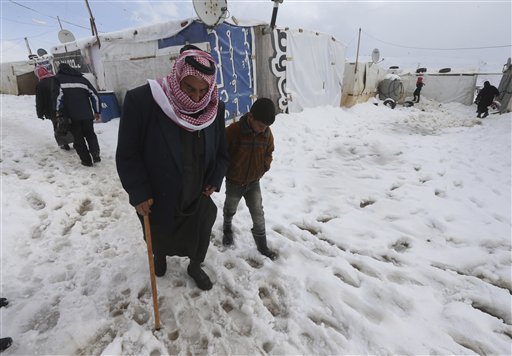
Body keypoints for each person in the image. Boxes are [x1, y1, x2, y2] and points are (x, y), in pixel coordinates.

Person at [116, 45, 229, 291]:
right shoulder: (143, 101)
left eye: (203, 90)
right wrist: (138, 191)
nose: (196, 98)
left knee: (199, 234)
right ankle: (160, 256)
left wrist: (215, 176)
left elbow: (222, 151)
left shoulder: (213, 107)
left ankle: (195, 265)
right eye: (189, 88)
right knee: (158, 233)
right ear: (177, 75)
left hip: (197, 193)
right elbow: (128, 154)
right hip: (158, 194)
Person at [222, 98, 278, 260]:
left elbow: (269, 152)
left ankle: (262, 245)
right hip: (234, 181)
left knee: (258, 212)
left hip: (253, 182)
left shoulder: (266, 134)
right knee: (230, 207)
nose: (263, 130)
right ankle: (227, 228)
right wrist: (228, 170)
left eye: (266, 127)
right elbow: (222, 155)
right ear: (251, 117)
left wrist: (263, 167)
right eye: (261, 126)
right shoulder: (233, 131)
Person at [53, 63, 102, 167]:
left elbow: (58, 98)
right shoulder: (82, 80)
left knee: (78, 138)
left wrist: (58, 112)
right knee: (90, 134)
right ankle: (95, 154)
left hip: (72, 117)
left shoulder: (58, 79)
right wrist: (97, 111)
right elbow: (95, 96)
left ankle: (86, 161)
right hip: (87, 115)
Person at [35, 65, 73, 150]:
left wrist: (40, 113)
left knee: (57, 126)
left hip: (51, 110)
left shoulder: (40, 84)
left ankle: (64, 144)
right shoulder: (57, 79)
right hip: (63, 106)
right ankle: (75, 140)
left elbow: (39, 101)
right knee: (68, 123)